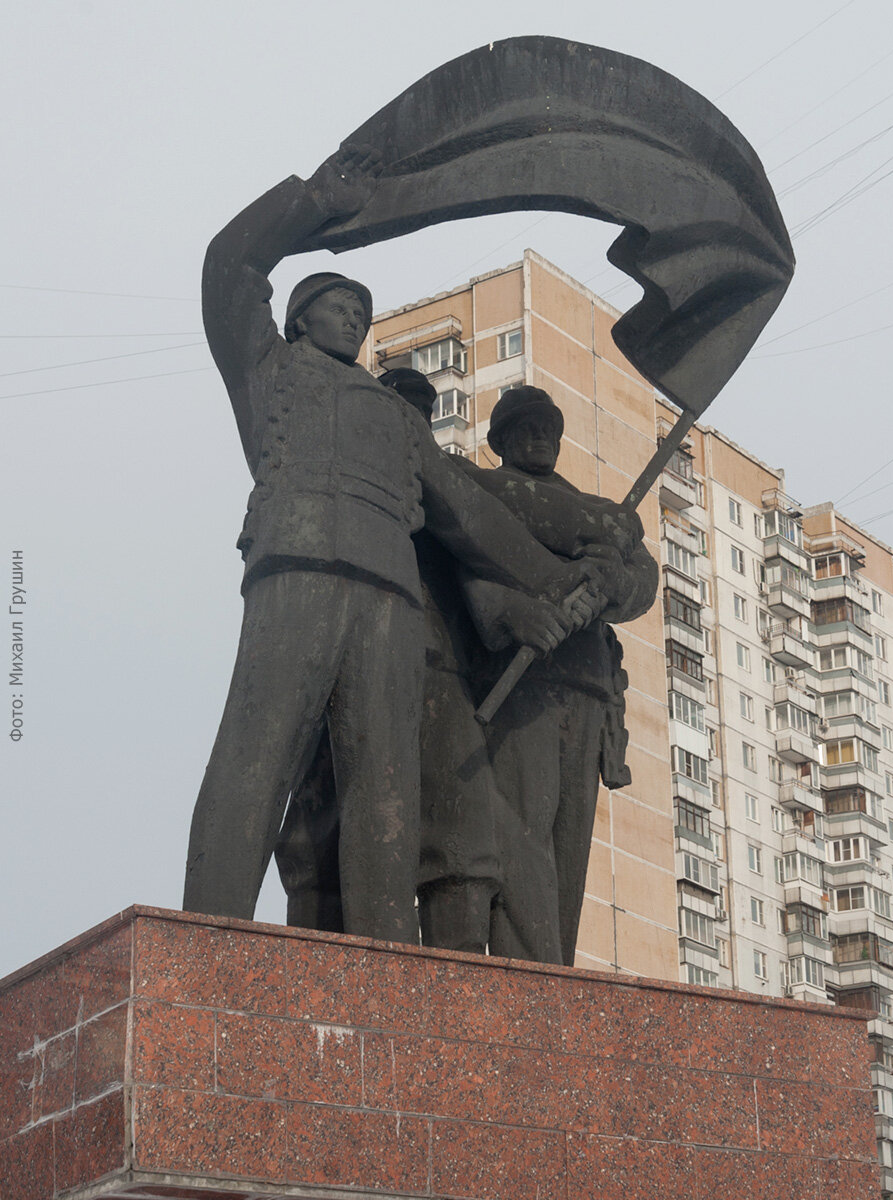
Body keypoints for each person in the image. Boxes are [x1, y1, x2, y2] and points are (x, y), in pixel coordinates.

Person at [183, 147, 596, 945]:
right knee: (255, 755)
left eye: (362, 313)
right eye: (339, 304)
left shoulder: (400, 420)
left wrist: (555, 579)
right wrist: (309, 204)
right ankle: (205, 943)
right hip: (297, 577)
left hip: (391, 604)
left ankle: (386, 966)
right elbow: (227, 265)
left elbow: (469, 521)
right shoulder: (268, 368)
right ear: (300, 315)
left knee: (386, 793)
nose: (354, 319)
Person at [274, 367, 588, 948]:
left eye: (418, 411)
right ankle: (328, 977)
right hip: (342, 666)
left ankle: (452, 997)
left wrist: (511, 610)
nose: (406, 422)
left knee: (463, 842)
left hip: (436, 668)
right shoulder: (340, 476)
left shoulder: (453, 482)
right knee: (318, 836)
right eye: (396, 409)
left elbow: (480, 559)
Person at [457, 386, 659, 963]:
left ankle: (554, 977)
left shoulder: (605, 521)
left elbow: (642, 583)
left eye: (549, 425)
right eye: (525, 426)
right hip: (523, 683)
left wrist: (609, 585)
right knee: (523, 835)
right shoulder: (492, 494)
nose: (540, 435)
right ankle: (526, 977)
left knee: (569, 847)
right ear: (498, 441)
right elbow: (476, 564)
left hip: (588, 686)